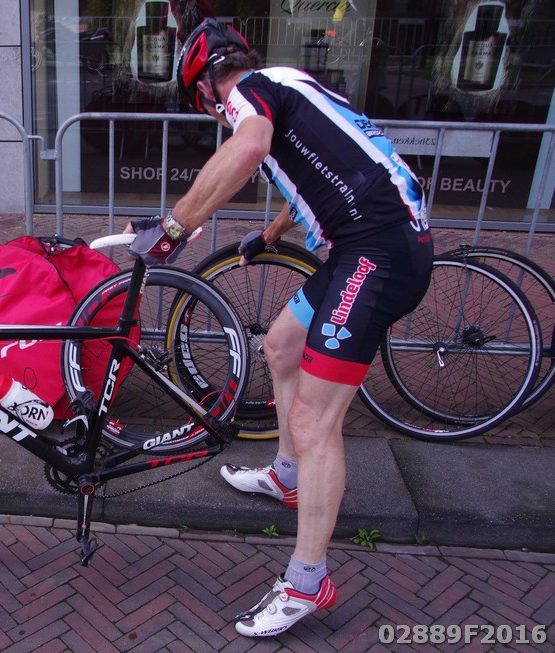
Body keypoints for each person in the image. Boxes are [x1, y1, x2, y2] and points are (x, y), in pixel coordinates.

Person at [127, 18, 433, 638]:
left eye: (206, 104)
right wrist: (268, 235)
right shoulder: (288, 83)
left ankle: (308, 581)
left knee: (316, 423)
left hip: (378, 255)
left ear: (206, 90)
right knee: (281, 344)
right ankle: (288, 476)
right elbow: (322, 174)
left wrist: (174, 228)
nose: (217, 114)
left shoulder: (249, 93)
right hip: (366, 246)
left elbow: (248, 150)